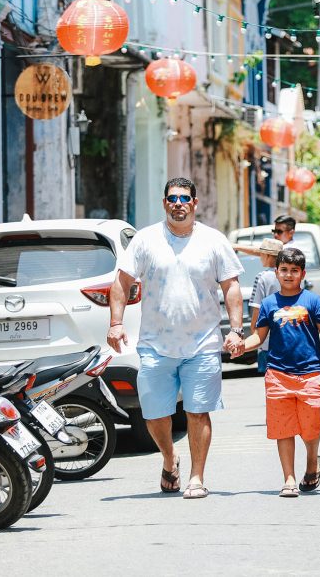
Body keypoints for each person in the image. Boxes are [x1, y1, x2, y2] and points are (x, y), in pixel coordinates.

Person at [107, 177, 245, 498]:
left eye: (185, 198)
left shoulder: (213, 240)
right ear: (164, 203)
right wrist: (116, 322)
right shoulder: (145, 240)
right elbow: (121, 282)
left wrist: (236, 331)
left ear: (195, 203)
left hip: (203, 343)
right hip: (156, 343)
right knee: (154, 415)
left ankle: (197, 477)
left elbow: (232, 287)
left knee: (198, 411)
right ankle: (170, 459)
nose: (178, 203)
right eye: (173, 198)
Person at [234, 248, 320, 497]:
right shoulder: (269, 304)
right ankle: (288, 478)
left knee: (310, 426)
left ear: (301, 273)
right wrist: (240, 345)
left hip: (310, 373)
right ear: (276, 272)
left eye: (294, 271)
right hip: (278, 374)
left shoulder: (312, 301)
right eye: (284, 270)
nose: (288, 275)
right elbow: (259, 336)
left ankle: (312, 463)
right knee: (284, 428)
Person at [248, 239, 284, 375]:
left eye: (261, 254)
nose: (260, 257)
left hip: (267, 340)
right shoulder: (289, 275)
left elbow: (257, 308)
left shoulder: (262, 277)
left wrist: (254, 331)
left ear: (268, 256)